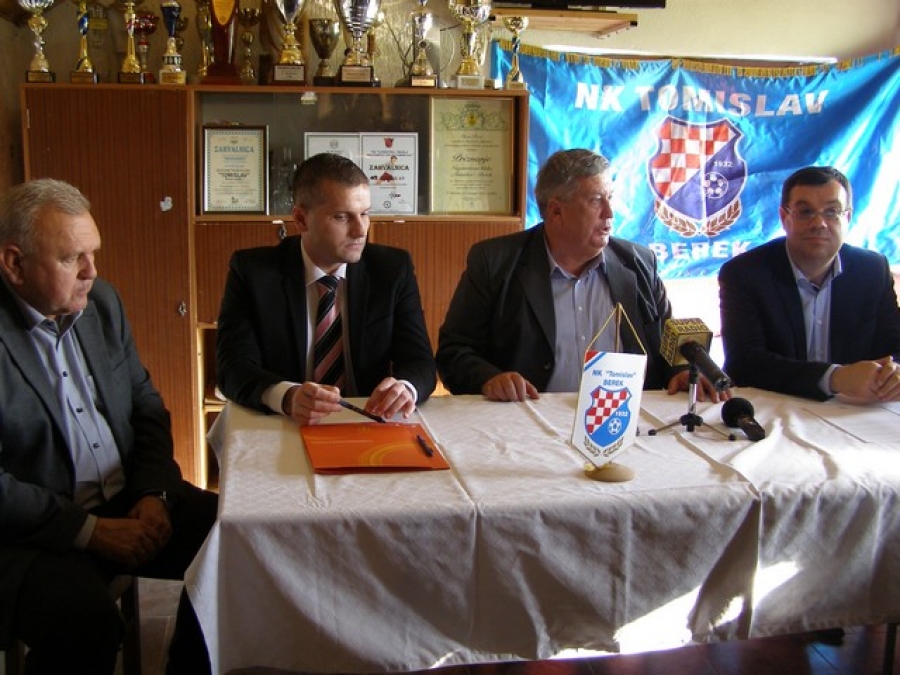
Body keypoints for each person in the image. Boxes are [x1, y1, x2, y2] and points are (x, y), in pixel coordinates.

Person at [0, 179, 218, 674]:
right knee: (86, 624)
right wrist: (88, 531)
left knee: (235, 541)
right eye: (72, 258)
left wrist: (155, 493)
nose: (91, 272)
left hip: (127, 498)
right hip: (31, 534)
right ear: (14, 263)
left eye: (93, 254)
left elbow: (145, 405)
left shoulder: (101, 303)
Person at [436, 148, 726, 402]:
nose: (610, 213)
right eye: (596, 200)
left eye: (610, 198)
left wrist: (680, 372)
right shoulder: (495, 262)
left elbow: (668, 347)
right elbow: (454, 353)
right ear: (556, 211)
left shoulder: (639, 264)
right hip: (527, 420)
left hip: (625, 420)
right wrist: (488, 379)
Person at [216, 152, 436, 425]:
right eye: (342, 217)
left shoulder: (391, 269)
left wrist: (405, 387)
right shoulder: (253, 272)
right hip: (285, 424)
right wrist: (287, 396)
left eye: (365, 214)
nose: (361, 230)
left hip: (367, 422)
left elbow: (420, 362)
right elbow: (232, 368)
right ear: (301, 219)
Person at [719, 165, 900, 402]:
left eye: (832, 211)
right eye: (805, 212)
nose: (819, 223)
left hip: (854, 410)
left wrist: (893, 372)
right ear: (784, 218)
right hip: (776, 407)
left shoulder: (872, 270)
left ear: (847, 217)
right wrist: (835, 377)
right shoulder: (745, 273)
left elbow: (895, 346)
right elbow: (743, 363)